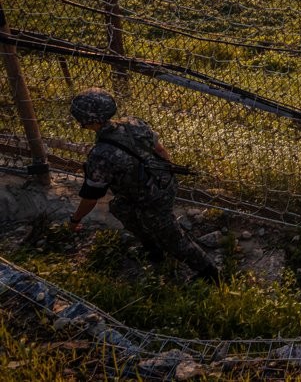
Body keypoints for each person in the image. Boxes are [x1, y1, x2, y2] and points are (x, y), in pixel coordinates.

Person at [67, 87, 220, 283]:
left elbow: (90, 197)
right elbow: (161, 150)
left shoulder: (101, 155)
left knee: (174, 240)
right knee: (120, 207)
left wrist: (74, 220)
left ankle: (210, 273)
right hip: (163, 183)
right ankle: (153, 249)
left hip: (151, 198)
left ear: (87, 122)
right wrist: (163, 176)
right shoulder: (133, 124)